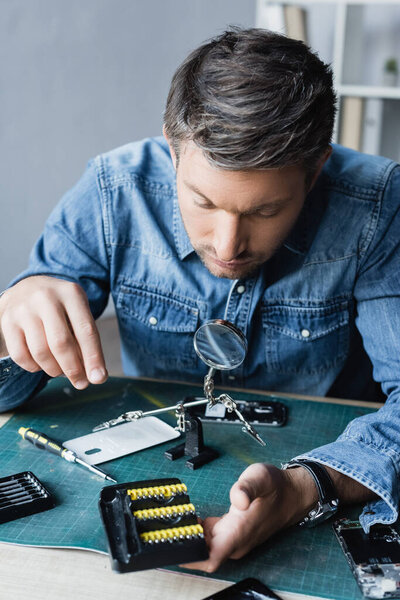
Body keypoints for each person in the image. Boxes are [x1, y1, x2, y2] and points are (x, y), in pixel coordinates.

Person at [1, 27, 399, 573]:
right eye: (202, 201)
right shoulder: (112, 191)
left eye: (264, 211)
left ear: (316, 168)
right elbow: (11, 392)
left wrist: (306, 489)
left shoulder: (379, 207)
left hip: (326, 475)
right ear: (172, 144)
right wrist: (12, 324)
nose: (227, 245)